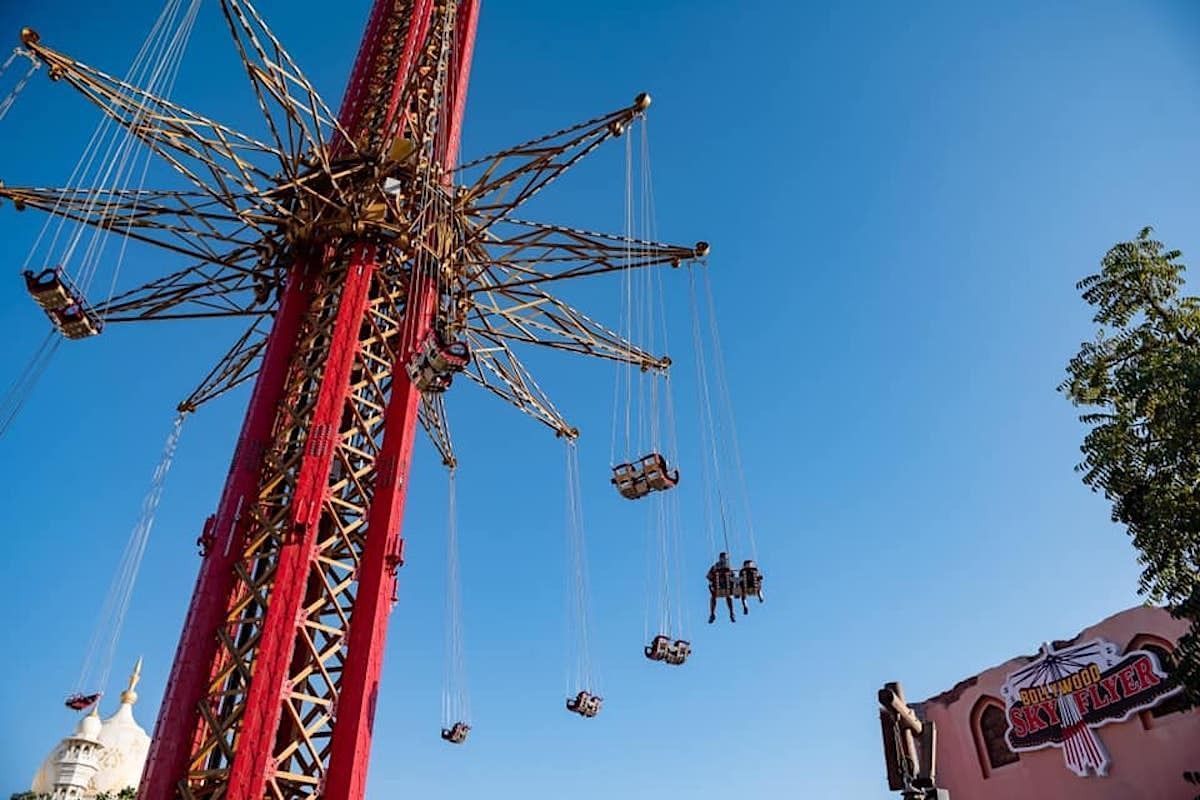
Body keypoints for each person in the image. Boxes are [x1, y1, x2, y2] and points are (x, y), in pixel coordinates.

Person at [707, 552, 736, 623]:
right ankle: (712, 614)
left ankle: (731, 613)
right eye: (724, 558)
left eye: (725, 558)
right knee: (715, 597)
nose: (724, 559)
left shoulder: (728, 567)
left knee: (728, 596)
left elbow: (709, 576)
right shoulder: (716, 567)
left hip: (724, 588)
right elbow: (709, 577)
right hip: (719, 588)